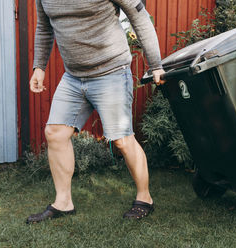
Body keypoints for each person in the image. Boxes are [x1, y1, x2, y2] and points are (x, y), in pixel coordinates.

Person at [26, 0, 165, 224]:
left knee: (122, 140)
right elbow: (44, 27)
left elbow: (138, 16)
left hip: (111, 71)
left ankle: (145, 198)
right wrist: (39, 67)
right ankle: (63, 202)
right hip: (73, 76)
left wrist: (155, 64)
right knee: (55, 133)